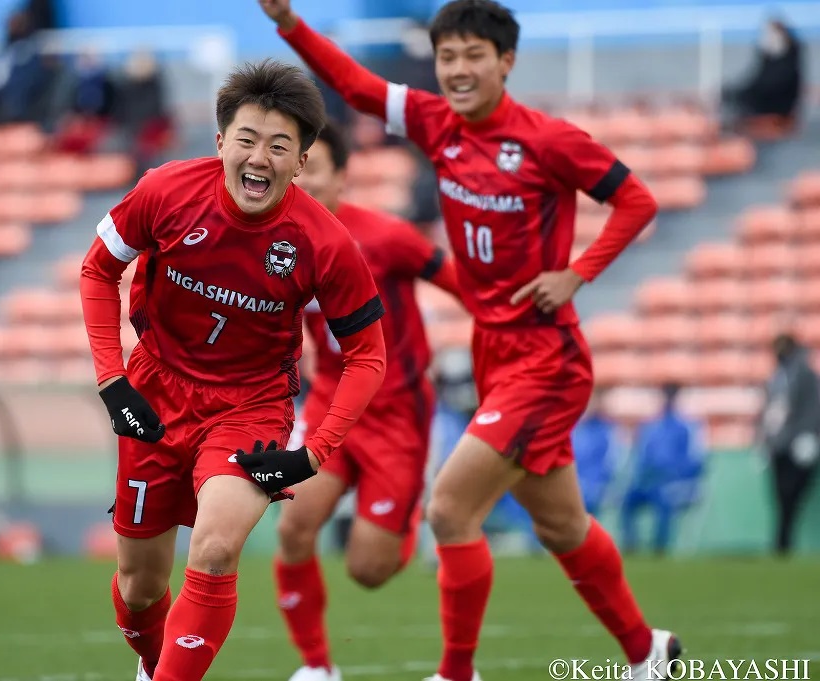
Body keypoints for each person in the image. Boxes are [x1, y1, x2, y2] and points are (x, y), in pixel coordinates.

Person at [259, 0, 680, 678]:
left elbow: (637, 200)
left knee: (451, 507)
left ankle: (458, 672)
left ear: (505, 62)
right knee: (563, 526)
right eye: (447, 57)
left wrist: (577, 273)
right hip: (495, 353)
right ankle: (645, 651)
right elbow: (357, 87)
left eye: (472, 56)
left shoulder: (549, 140)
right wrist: (289, 24)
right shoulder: (436, 124)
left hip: (545, 359)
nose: (457, 70)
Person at [79, 59, 387, 681]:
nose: (260, 158)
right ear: (221, 141)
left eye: (280, 146)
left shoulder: (325, 243)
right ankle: (154, 664)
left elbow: (367, 356)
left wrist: (314, 452)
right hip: (154, 393)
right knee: (139, 588)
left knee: (216, 546)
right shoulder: (165, 191)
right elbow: (97, 270)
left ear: (301, 161)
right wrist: (113, 382)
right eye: (247, 139)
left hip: (250, 407)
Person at [275, 120, 459, 681]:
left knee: (368, 570)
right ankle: (317, 668)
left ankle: (403, 520)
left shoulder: (386, 237)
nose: (300, 184)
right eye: (295, 171)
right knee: (292, 527)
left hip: (398, 414)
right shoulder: (279, 246)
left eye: (314, 171)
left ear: (340, 177)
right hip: (332, 406)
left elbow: (461, 285)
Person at [620, 383, 706, 556]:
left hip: (676, 484)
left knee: (665, 499)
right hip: (650, 483)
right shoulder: (650, 427)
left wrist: (674, 476)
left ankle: (659, 549)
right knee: (627, 501)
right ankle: (631, 546)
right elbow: (642, 459)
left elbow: (697, 461)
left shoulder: (689, 427)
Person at [757, 333, 820, 556]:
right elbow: (768, 412)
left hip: (798, 444)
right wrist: (763, 440)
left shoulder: (805, 375)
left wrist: (809, 434)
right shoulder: (776, 377)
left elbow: (811, 408)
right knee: (781, 497)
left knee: (791, 495)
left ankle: (783, 543)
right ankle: (782, 544)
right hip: (779, 446)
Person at [572, 387, 621, 518]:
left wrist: (602, 484)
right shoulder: (575, 429)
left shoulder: (608, 430)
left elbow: (612, 463)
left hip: (596, 485)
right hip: (574, 482)